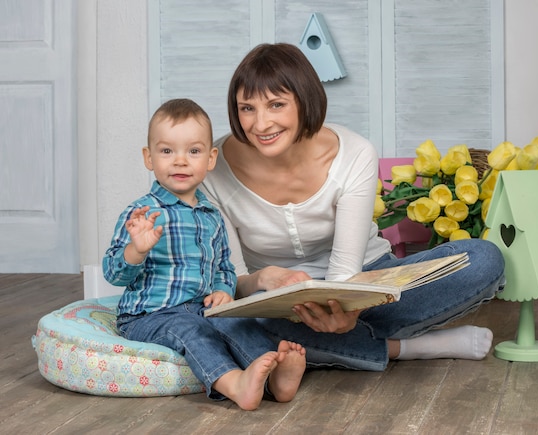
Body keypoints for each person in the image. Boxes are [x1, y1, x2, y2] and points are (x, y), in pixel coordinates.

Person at [201, 43, 506, 372]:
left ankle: (337, 346)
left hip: (364, 282)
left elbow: (345, 274)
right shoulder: (211, 167)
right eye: (247, 108)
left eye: (276, 105)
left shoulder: (355, 153)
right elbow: (233, 278)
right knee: (229, 319)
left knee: (483, 259)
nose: (261, 124)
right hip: (274, 303)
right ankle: (404, 347)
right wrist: (266, 277)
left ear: (304, 101)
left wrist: (348, 309)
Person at [102, 98, 306, 410]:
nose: (180, 161)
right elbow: (114, 273)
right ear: (148, 157)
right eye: (167, 151)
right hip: (150, 315)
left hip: (201, 307)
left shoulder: (212, 215)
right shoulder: (141, 214)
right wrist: (136, 250)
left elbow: (224, 266)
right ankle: (233, 382)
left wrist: (224, 291)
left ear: (210, 159)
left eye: (193, 151)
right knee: (192, 331)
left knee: (238, 323)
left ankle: (275, 379)